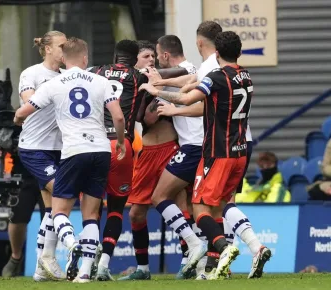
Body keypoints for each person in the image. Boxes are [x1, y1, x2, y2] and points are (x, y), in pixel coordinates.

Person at [157, 21, 271, 279]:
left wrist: (158, 91)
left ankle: (222, 247)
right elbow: (198, 83)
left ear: (216, 52)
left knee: (199, 208)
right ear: (239, 53)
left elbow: (189, 99)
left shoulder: (217, 78)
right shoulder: (246, 75)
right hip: (241, 149)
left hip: (219, 151)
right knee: (223, 205)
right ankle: (254, 247)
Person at [14, 37, 126, 283]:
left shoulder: (55, 83)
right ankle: (84, 273)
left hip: (73, 150)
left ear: (65, 58)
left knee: (59, 209)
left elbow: (24, 110)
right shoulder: (102, 81)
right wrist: (119, 141)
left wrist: (17, 120)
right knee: (91, 213)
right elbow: (118, 117)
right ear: (85, 58)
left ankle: (71, 242)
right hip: (101, 150)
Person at [118, 36, 205, 281]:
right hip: (146, 154)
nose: (152, 62)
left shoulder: (172, 77)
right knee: (136, 213)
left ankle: (189, 260)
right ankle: (143, 269)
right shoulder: (133, 84)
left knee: (181, 204)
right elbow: (140, 119)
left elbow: (154, 116)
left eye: (154, 57)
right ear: (135, 62)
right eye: (146, 58)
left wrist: (156, 87)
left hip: (171, 149)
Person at [87, 39, 148, 281]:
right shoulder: (138, 77)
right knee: (116, 209)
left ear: (115, 55)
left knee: (91, 208)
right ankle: (103, 265)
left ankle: (87, 263)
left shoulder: (97, 72)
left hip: (94, 146)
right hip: (121, 148)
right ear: (134, 59)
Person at [16, 31, 67, 282]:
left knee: (52, 208)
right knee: (62, 193)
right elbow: (29, 101)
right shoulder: (32, 73)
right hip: (34, 147)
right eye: (61, 46)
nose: (64, 49)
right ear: (47, 49)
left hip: (60, 147)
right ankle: (50, 255)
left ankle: (40, 269)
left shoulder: (66, 76)